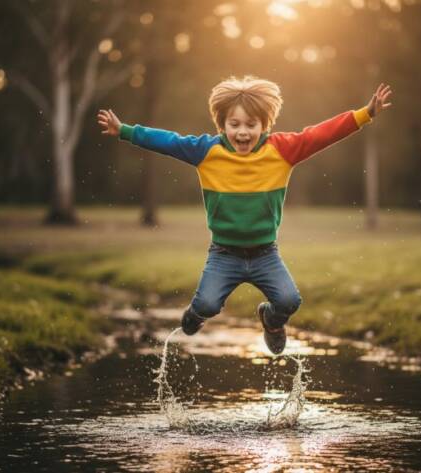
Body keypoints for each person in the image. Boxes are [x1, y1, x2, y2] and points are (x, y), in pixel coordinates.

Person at [97, 76, 392, 355]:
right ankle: (197, 313)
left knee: (289, 300)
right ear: (222, 124)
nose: (242, 132)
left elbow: (320, 135)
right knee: (209, 304)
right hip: (224, 255)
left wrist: (365, 113)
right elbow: (168, 141)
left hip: (266, 254)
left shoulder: (283, 150)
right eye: (234, 124)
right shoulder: (205, 151)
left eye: (251, 124)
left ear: (265, 125)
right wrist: (125, 131)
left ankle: (271, 321)